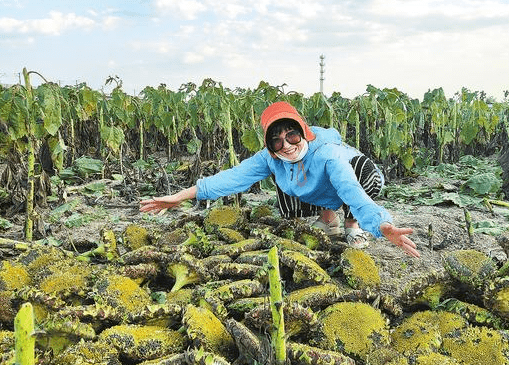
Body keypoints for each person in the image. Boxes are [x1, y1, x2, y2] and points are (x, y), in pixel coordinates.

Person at [140, 101, 420, 257]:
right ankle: (327, 218)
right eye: (276, 141)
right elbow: (233, 178)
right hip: (313, 188)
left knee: (362, 176)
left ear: (303, 132)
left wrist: (382, 225)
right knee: (286, 176)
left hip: (353, 177)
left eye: (292, 136)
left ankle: (350, 224)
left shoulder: (328, 154)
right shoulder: (270, 157)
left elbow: (351, 191)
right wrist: (179, 197)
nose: (285, 145)